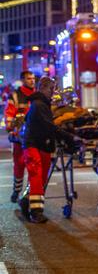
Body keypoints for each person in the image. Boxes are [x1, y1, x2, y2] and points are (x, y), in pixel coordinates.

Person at [19, 77, 77, 223]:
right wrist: (68, 136)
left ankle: (27, 202)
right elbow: (48, 126)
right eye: (52, 89)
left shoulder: (41, 104)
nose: (53, 92)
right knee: (37, 175)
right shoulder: (39, 105)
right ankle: (36, 212)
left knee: (40, 178)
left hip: (41, 145)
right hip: (33, 145)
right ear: (43, 88)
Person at [5, 71, 35, 203]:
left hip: (34, 136)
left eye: (33, 78)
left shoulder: (37, 95)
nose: (32, 81)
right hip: (20, 136)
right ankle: (16, 190)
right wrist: (11, 128)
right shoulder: (16, 96)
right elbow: (10, 113)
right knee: (19, 164)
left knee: (33, 165)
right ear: (23, 80)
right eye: (29, 79)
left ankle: (29, 192)